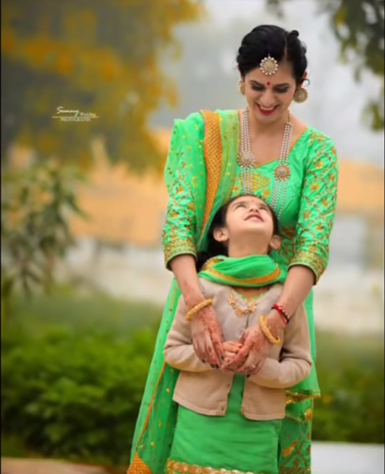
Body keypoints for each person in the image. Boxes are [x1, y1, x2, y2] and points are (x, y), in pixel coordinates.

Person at [128, 24, 338, 474]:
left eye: (281, 88)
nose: (267, 99)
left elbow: (314, 249)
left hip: (284, 305)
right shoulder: (204, 134)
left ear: (301, 86)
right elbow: (179, 226)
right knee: (185, 425)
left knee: (265, 433)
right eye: (257, 87)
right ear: (240, 79)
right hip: (200, 297)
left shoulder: (317, 153)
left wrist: (274, 323)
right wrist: (198, 305)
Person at [164, 194, 312, 474]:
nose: (254, 208)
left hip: (258, 429)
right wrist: (212, 356)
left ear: (275, 241)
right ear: (220, 233)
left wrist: (263, 368)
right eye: (241, 207)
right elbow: (172, 350)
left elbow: (301, 363)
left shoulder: (285, 299)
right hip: (198, 421)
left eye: (263, 210)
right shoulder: (200, 289)